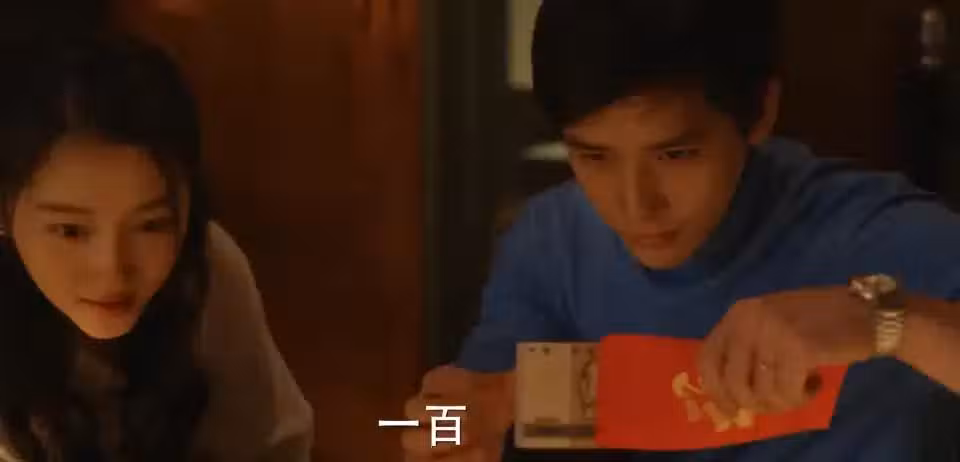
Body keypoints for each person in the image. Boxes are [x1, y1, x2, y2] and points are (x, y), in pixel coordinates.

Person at [402, 0, 960, 461]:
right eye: (593, 157)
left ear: (761, 112)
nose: (635, 205)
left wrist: (890, 322)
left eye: (676, 155)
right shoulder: (551, 243)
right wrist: (444, 428)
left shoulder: (879, 233)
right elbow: (473, 402)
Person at [0, 34, 313, 461]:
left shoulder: (204, 267)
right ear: (4, 210)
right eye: (70, 231)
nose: (112, 269)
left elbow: (271, 446)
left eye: (152, 225)